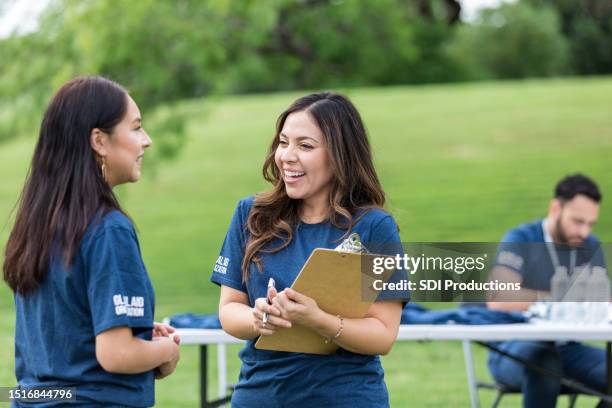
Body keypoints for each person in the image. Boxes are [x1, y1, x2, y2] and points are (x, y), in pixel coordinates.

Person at [211, 92, 407, 407]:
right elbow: (229, 310)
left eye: (305, 146)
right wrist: (259, 318)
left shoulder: (373, 227)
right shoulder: (251, 214)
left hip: (345, 398)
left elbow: (383, 335)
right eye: (283, 142)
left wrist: (318, 319)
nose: (287, 156)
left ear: (340, 155)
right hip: (260, 397)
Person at [3, 76, 180, 407]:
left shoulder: (35, 226)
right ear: (99, 140)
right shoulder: (108, 230)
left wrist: (138, 333)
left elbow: (69, 335)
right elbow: (117, 354)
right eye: (136, 128)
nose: (147, 140)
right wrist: (166, 351)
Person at [487, 174, 607, 408]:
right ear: (555, 208)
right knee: (544, 362)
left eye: (590, 224)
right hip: (513, 347)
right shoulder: (521, 238)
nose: (584, 232)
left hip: (570, 348)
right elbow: (499, 298)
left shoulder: (590, 246)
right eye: (577, 221)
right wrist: (560, 297)